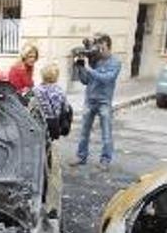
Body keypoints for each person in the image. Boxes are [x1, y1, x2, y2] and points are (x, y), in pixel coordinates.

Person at [70, 33, 121, 169]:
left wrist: (88, 68)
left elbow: (107, 79)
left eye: (101, 46)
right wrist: (80, 68)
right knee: (84, 132)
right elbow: (85, 80)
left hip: (104, 101)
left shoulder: (115, 62)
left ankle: (105, 160)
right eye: (97, 46)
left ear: (108, 46)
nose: (99, 49)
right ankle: (81, 156)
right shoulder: (94, 60)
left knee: (106, 133)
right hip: (90, 99)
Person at [30, 62, 66, 139]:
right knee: (50, 140)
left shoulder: (36, 90)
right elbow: (65, 107)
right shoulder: (59, 90)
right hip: (54, 121)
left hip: (40, 121)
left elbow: (31, 103)